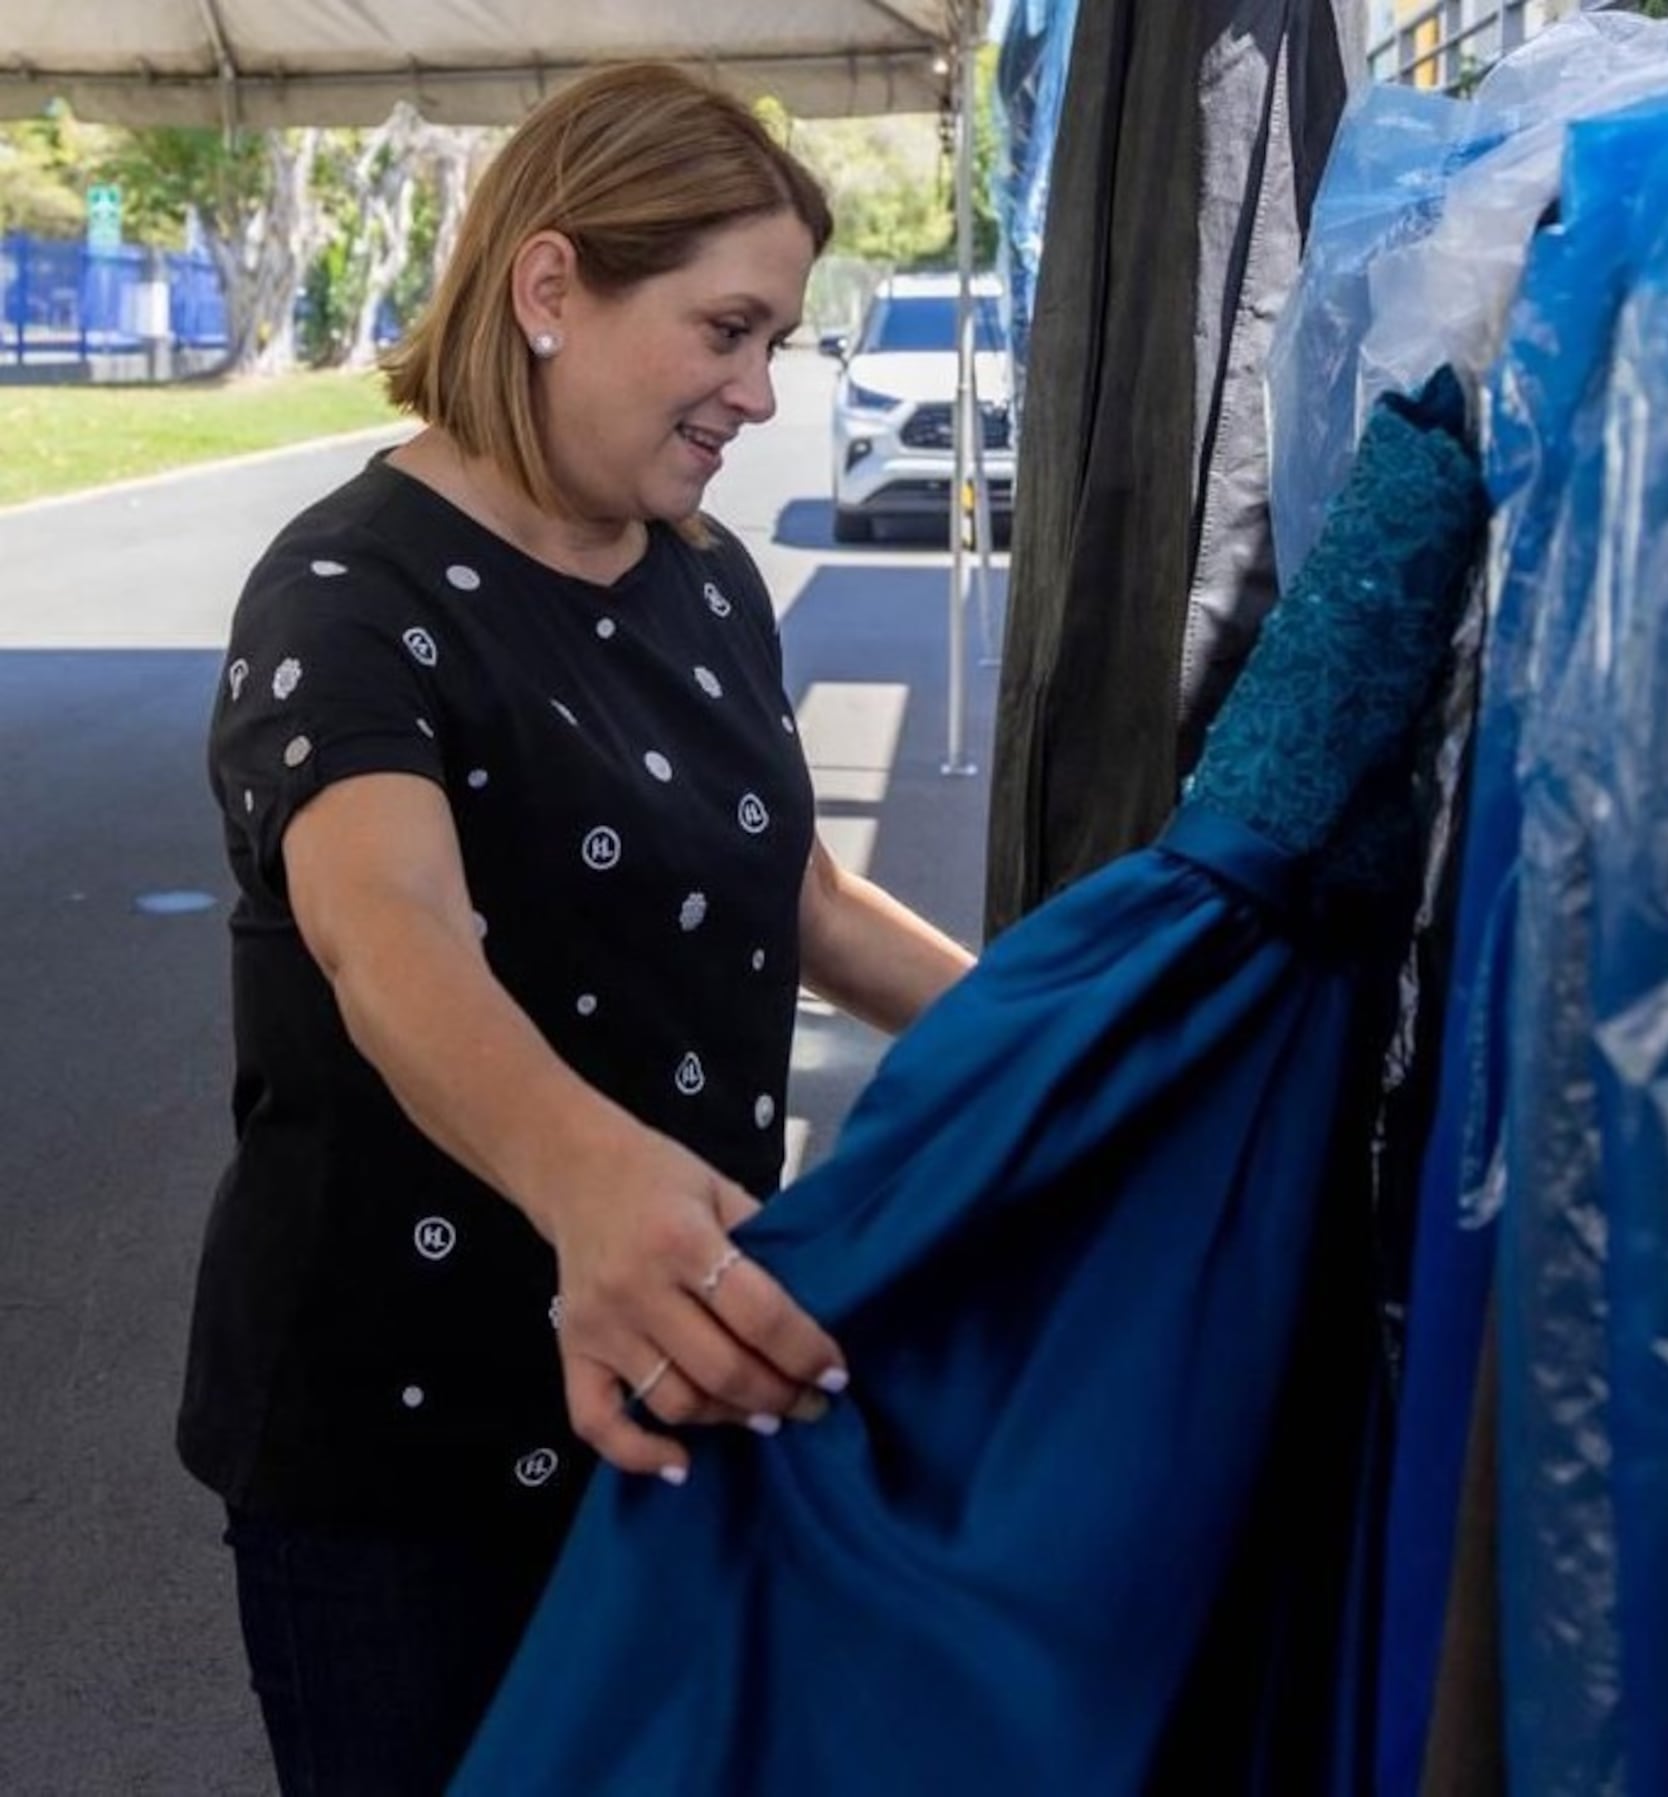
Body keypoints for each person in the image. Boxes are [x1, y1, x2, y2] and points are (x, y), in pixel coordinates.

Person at [176, 62, 973, 1794]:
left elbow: (808, 895)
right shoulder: (346, 594)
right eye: (728, 329)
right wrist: (595, 1183)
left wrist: (1045, 1033)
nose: (763, 392)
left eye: (778, 341)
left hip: (662, 1388)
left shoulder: (703, 572)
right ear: (551, 289)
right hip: (397, 1463)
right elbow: (388, 931)